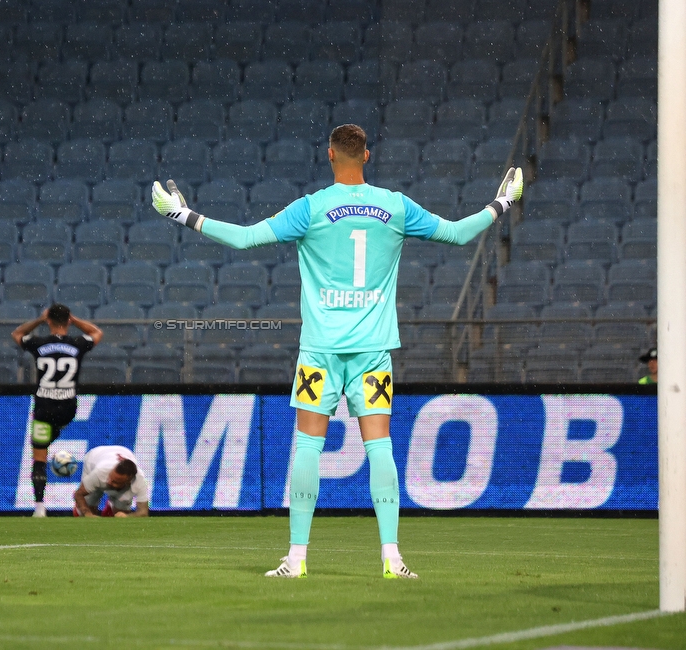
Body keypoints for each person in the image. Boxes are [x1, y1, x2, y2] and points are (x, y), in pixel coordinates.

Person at [151, 124, 523, 579]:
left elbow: (245, 239)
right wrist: (502, 203)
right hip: (372, 353)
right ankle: (393, 558)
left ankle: (297, 559)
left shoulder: (310, 209)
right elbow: (459, 234)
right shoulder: (396, 206)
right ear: (367, 155)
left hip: (320, 353)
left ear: (329, 155)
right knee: (380, 447)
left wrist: (183, 215)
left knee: (308, 445)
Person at [11, 304, 103, 517]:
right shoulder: (77, 343)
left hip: (44, 407)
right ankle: (56, 435)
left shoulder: (38, 343)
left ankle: (40, 506)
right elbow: (96, 333)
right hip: (68, 407)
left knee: (39, 457)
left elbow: (17, 334)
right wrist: (76, 320)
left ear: (49, 320)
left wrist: (38, 321)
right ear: (68, 321)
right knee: (55, 431)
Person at [73, 445, 150, 518]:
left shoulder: (140, 481)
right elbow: (78, 494)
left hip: (124, 452)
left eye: (115, 481)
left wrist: (127, 516)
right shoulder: (99, 473)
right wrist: (87, 513)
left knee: (121, 514)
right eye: (110, 478)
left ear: (128, 481)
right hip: (94, 456)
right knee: (89, 504)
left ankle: (110, 506)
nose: (109, 482)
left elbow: (143, 512)